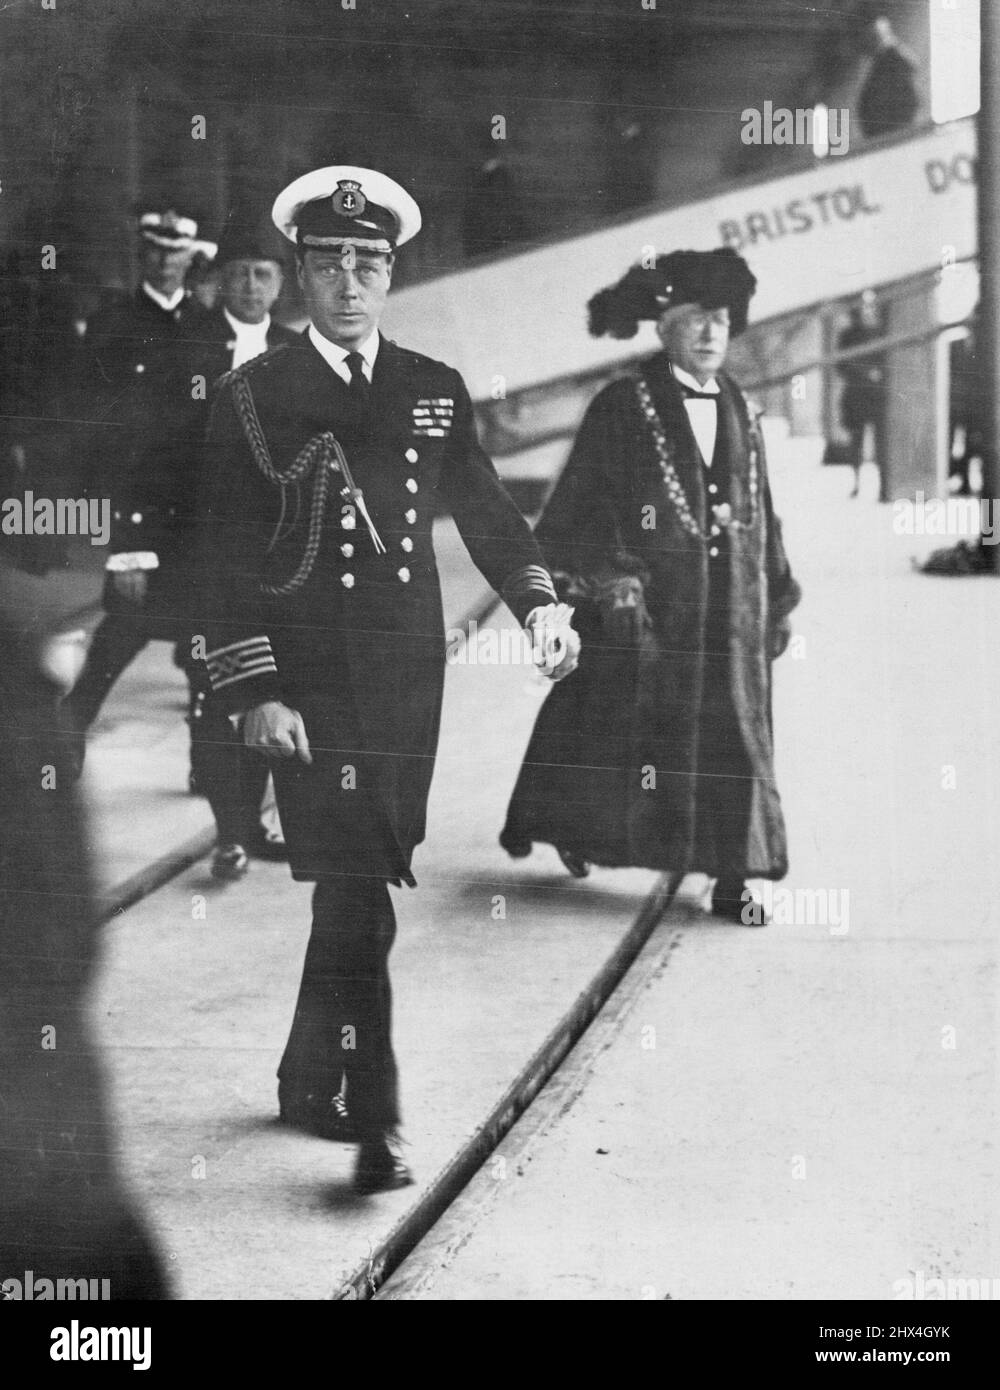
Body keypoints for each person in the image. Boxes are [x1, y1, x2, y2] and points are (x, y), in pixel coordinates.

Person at [191, 165, 580, 1193]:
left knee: (356, 890)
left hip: (409, 684)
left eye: (368, 263)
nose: (350, 283)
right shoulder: (252, 399)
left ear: (391, 271)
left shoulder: (429, 388)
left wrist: (539, 600)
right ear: (300, 275)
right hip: (307, 694)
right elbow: (219, 559)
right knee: (360, 893)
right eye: (329, 264)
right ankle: (378, 1117)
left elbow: (488, 512)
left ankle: (305, 1076)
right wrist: (253, 690)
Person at [500, 248, 801, 925]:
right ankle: (575, 830)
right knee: (608, 732)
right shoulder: (621, 406)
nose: (709, 333)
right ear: (664, 327)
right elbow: (578, 511)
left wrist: (777, 598)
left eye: (720, 320)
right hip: (649, 613)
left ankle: (733, 877)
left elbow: (764, 510)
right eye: (693, 319)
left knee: (734, 741)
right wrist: (611, 582)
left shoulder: (741, 409)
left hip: (731, 615)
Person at [62, 207, 206, 779]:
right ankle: (66, 737)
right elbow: (101, 442)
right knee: (120, 634)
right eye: (155, 250)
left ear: (191, 258)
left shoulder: (205, 324)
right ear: (141, 254)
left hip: (194, 518)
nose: (165, 262)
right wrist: (122, 545)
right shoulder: (112, 325)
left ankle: (207, 763)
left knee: (203, 645)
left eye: (176, 252)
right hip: (139, 517)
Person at [185, 222, 300, 881]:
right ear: (220, 279)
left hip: (280, 550)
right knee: (212, 683)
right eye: (240, 273)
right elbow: (158, 448)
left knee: (271, 683)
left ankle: (258, 822)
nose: (252, 286)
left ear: (281, 283)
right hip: (203, 544)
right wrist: (140, 545)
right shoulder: (190, 347)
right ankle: (231, 832)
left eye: (265, 274)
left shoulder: (299, 353)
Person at [835, 292, 885, 498]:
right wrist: (865, 373)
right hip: (857, 394)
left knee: (880, 442)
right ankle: (857, 484)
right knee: (857, 442)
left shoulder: (879, 333)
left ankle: (881, 485)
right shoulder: (847, 335)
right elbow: (840, 366)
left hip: (874, 394)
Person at [857, 12, 919, 140]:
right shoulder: (874, 65)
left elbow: (910, 95)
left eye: (878, 35)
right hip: (880, 133)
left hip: (897, 129)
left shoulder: (895, 57)